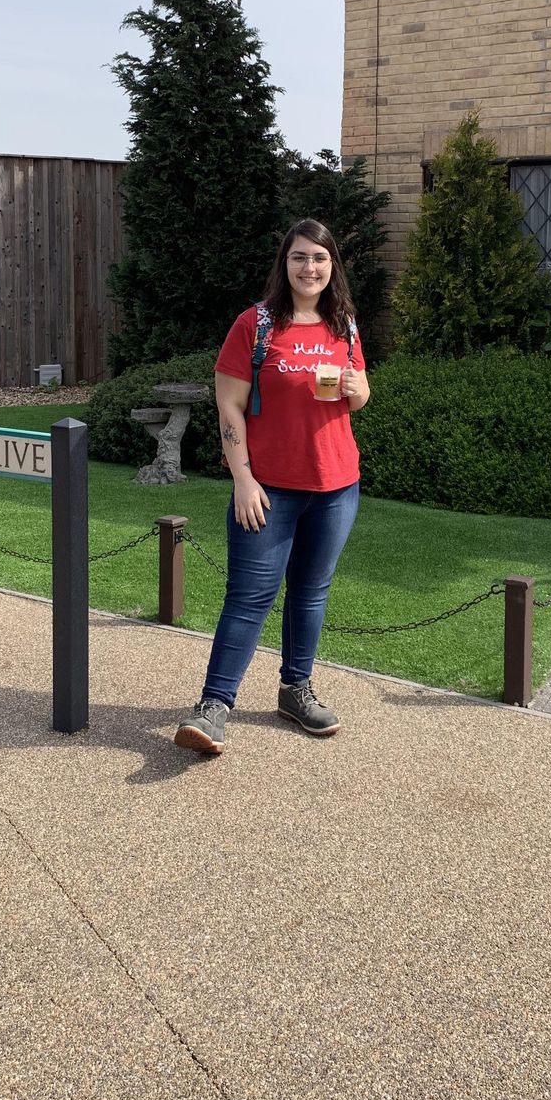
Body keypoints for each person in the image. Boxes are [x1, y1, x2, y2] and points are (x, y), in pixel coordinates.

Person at [174, 219, 370, 755]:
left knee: (311, 592)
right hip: (268, 490)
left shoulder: (345, 325)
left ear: (333, 266)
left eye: (320, 258)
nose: (310, 267)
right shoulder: (256, 325)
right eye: (299, 257)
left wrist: (358, 388)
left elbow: (357, 397)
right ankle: (214, 706)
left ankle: (295, 691)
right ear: (284, 264)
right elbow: (229, 406)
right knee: (249, 596)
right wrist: (242, 478)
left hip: (336, 486)